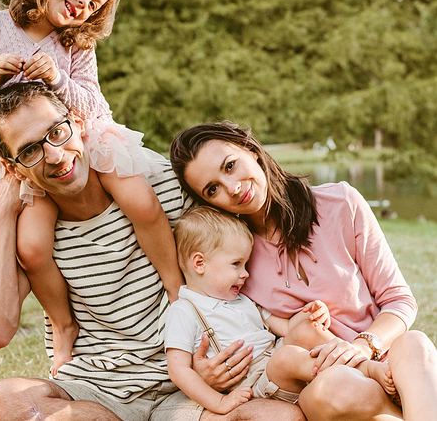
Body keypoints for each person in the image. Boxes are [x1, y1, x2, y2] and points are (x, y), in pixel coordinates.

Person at [0, 83, 305, 421]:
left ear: (78, 124)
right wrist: (3, 209)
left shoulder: (158, 184)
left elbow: (246, 230)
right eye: (28, 152)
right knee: (3, 401)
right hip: (96, 391)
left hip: (189, 388)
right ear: (13, 168)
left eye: (56, 132)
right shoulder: (31, 231)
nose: (54, 155)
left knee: (278, 418)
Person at [0, 0, 183, 375]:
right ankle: (62, 325)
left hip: (81, 137)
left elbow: (93, 103)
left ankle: (174, 289)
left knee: (141, 202)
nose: (85, 3)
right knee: (34, 247)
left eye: (95, 3)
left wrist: (57, 79)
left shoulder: (75, 43)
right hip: (27, 158)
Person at [169, 121, 437, 421]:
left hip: (383, 360)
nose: (232, 189)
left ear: (251, 149)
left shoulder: (340, 203)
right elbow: (227, 327)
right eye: (213, 189)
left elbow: (399, 300)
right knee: (335, 389)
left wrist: (364, 346)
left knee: (415, 344)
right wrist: (208, 374)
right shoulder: (232, 262)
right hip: (321, 383)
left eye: (230, 165)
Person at [165, 205, 396, 415]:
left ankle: (367, 368)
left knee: (306, 329)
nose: (245, 273)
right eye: (236, 264)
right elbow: (179, 371)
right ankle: (352, 376)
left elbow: (285, 328)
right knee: (285, 358)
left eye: (245, 264)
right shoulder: (184, 311)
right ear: (199, 263)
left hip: (274, 363)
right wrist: (219, 403)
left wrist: (309, 315)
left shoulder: (242, 299)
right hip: (254, 383)